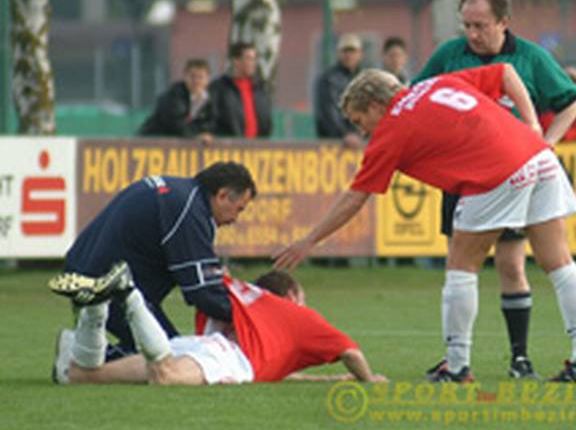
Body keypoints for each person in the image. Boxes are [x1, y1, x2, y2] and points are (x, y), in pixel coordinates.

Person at [274, 64, 576, 384]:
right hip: (539, 156)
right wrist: (532, 124)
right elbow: (505, 72)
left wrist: (309, 240)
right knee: (559, 262)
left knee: (461, 266)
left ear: (375, 105)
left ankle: (457, 366)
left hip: (496, 172)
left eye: (360, 121)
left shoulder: (391, 129)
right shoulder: (437, 83)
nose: (362, 131)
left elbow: (355, 197)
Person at [411, 0, 576, 379]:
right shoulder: (449, 55)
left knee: (511, 264)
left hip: (512, 177)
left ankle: (519, 359)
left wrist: (547, 142)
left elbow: (572, 100)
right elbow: (416, 97)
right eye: (467, 25)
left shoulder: (530, 58)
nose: (472, 34)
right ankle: (456, 358)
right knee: (458, 266)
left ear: (504, 22)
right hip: (461, 177)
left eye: (481, 25)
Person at [49, 161, 256, 361]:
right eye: (239, 209)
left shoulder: (181, 193)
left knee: (163, 350)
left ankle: (83, 353)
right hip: (111, 286)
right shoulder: (190, 210)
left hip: (86, 267)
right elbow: (202, 292)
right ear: (222, 195)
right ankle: (77, 360)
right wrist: (248, 316)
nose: (235, 219)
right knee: (169, 359)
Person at [51, 266, 385, 385]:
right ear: (291, 296)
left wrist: (330, 379)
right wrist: (368, 379)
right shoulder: (298, 316)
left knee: (86, 376)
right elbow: (351, 352)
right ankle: (128, 293)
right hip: (228, 357)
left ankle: (95, 309)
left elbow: (282, 374)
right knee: (165, 377)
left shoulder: (249, 298)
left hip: (195, 345)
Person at [139, 59, 216, 144]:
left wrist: (204, 133)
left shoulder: (209, 99)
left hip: (178, 144)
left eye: (201, 77)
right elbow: (176, 123)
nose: (196, 81)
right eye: (192, 76)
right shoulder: (174, 95)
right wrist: (196, 136)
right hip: (152, 140)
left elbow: (210, 123)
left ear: (208, 79)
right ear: (185, 77)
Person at [207, 42, 272, 139]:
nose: (253, 63)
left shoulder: (260, 88)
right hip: (230, 145)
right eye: (249, 58)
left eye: (254, 59)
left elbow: (266, 118)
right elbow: (211, 117)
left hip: (258, 145)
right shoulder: (219, 88)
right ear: (236, 60)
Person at [314, 33, 365, 149]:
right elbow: (328, 112)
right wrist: (345, 134)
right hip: (333, 144)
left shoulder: (366, 78)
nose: (349, 55)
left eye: (352, 51)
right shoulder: (328, 79)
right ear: (338, 53)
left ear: (360, 54)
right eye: (345, 51)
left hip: (362, 142)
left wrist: (360, 134)